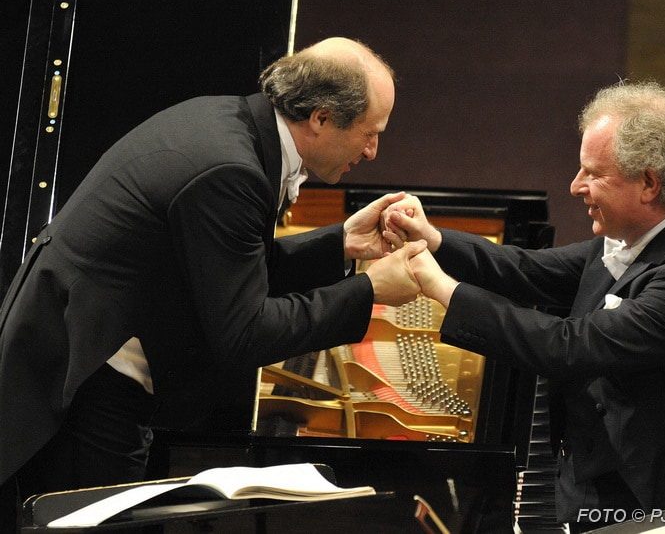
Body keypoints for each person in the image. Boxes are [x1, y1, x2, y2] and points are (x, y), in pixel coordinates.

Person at [0, 37, 426, 525]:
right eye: (369, 133)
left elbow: (226, 268)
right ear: (322, 118)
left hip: (86, 359)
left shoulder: (231, 123)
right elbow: (244, 333)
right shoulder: (231, 170)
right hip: (83, 387)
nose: (373, 151)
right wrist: (369, 291)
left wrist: (341, 243)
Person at [384, 81, 665, 532]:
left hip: (662, 514)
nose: (575, 186)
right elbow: (532, 270)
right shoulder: (642, 235)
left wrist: (439, 288)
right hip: (602, 496)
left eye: (592, 173)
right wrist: (434, 240)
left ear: (649, 184)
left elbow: (567, 348)